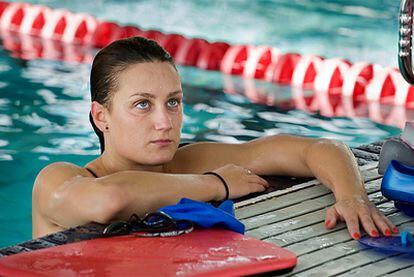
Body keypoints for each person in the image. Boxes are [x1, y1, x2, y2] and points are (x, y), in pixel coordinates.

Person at [32, 37, 397, 240]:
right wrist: (217, 184)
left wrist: (352, 197)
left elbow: (319, 148)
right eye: (143, 105)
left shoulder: (187, 161)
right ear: (101, 117)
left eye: (173, 102)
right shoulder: (59, 180)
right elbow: (110, 199)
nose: (165, 122)